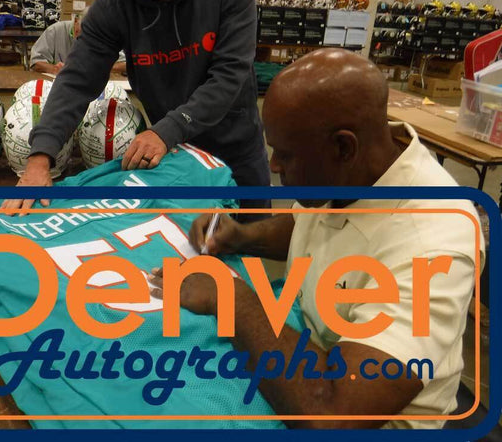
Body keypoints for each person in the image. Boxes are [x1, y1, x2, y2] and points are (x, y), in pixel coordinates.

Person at [149, 48, 485, 429]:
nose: (273, 166)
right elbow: (310, 225)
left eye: (285, 155)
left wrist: (229, 298)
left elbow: (334, 415)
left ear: (344, 147)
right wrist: (240, 237)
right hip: (311, 342)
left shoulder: (433, 243)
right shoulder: (351, 174)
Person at [3, 0, 271, 216]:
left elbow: (228, 76)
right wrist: (40, 156)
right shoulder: (115, 4)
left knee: (250, 246)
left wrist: (168, 130)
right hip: (176, 158)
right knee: (187, 250)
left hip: (235, 150)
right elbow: (76, 81)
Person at [29, 7, 127, 75]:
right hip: (59, 84)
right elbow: (35, 62)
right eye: (80, 33)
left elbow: (125, 64)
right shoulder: (54, 31)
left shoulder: (104, 35)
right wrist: (54, 69)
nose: (83, 40)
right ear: (76, 21)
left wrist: (101, 67)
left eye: (90, 37)